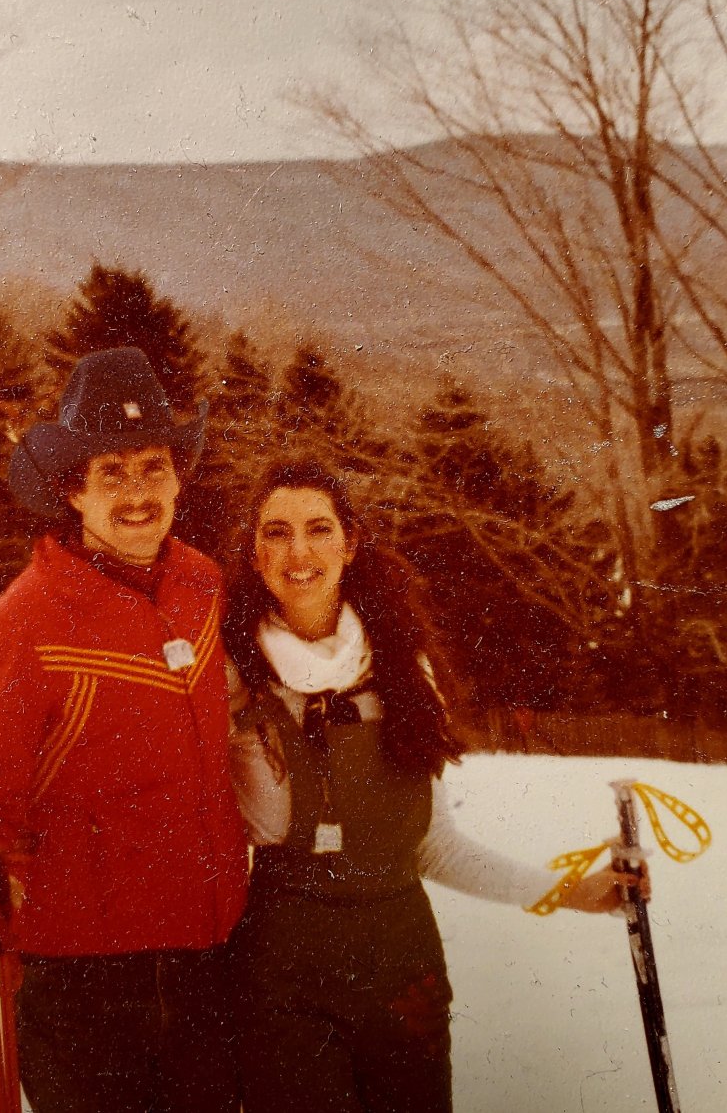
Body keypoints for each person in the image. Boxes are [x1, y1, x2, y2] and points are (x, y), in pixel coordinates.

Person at [223, 458, 636, 1113]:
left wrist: (574, 892)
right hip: (282, 974)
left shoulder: (402, 670)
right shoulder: (229, 674)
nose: (298, 551)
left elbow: (436, 847)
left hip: (400, 968)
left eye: (318, 529)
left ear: (350, 543)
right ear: (253, 550)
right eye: (276, 531)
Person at [0, 347, 247, 1113]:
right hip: (88, 986)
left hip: (209, 959)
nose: (137, 493)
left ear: (179, 475)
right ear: (71, 490)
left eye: (152, 467)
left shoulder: (203, 586)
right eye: (111, 473)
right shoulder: (24, 626)